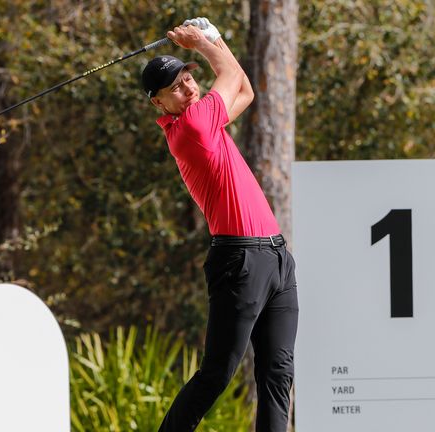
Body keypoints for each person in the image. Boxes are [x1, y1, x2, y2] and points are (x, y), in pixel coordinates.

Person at [141, 18, 299, 432]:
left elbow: (244, 89)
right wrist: (204, 43)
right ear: (159, 104)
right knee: (218, 372)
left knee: (278, 374)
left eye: (188, 77)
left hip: (277, 258)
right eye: (175, 87)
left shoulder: (205, 120)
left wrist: (216, 40)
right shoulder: (192, 127)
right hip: (240, 258)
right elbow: (229, 75)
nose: (188, 87)